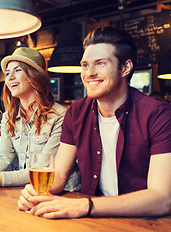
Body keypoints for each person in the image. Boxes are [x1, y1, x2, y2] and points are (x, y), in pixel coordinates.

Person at [18, 27, 171, 219]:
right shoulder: (76, 112)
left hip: (143, 222)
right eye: (85, 65)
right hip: (93, 221)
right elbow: (58, 176)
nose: (89, 73)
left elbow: (162, 198)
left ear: (125, 68)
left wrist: (86, 205)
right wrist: (35, 192)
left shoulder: (158, 115)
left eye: (100, 63)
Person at [0, 47, 81, 190]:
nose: (10, 77)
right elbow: (2, 158)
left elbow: (41, 169)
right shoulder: (8, 116)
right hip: (27, 189)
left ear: (34, 76)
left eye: (17, 70)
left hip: (64, 193)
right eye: (7, 73)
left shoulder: (60, 116)